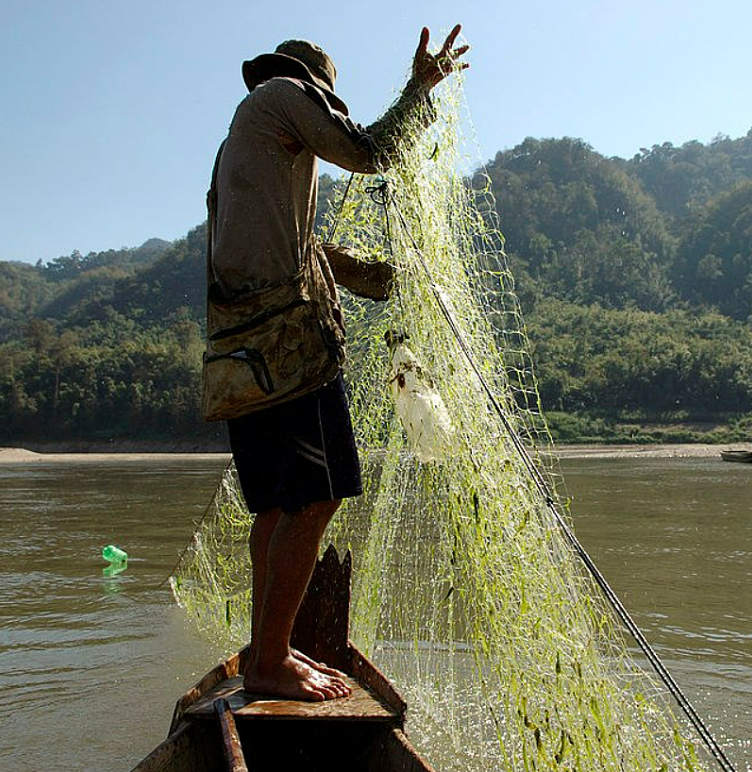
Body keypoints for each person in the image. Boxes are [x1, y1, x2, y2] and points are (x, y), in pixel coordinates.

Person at [209, 27, 469, 701]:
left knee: (275, 506)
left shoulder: (242, 149)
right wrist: (420, 88)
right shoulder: (287, 94)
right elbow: (370, 150)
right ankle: (270, 659)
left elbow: (296, 245)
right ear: (316, 88)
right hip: (287, 350)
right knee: (319, 494)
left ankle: (269, 650)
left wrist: (366, 275)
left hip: (238, 355)